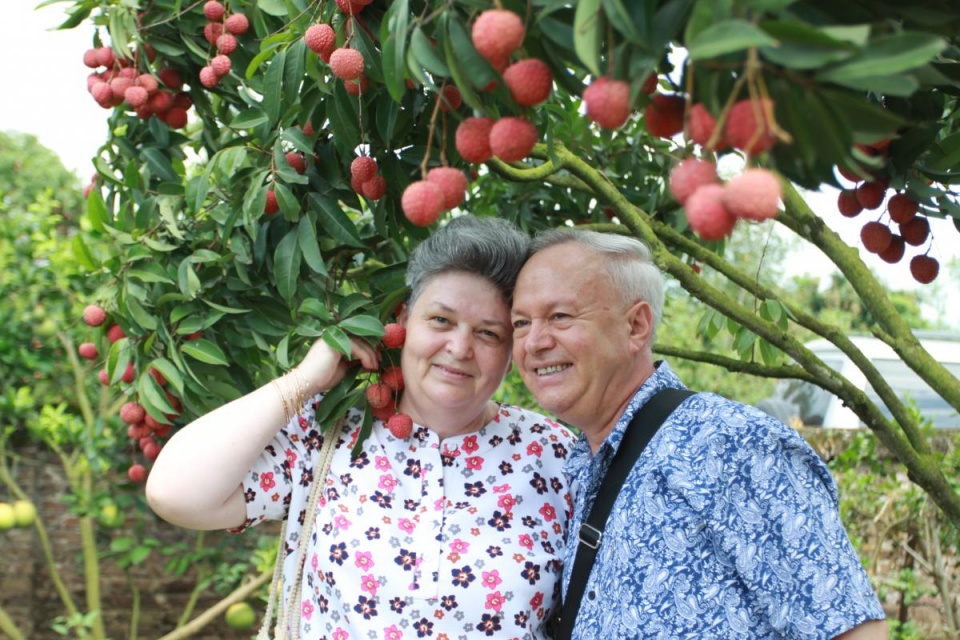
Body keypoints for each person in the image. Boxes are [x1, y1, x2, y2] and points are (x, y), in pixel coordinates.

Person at [146, 215, 576, 639]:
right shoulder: (329, 432)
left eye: (488, 333)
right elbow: (175, 493)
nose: (459, 348)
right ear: (403, 320)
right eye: (441, 321)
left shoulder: (553, 454)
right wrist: (303, 381)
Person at [509, 228, 888, 640]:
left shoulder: (729, 443)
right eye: (520, 323)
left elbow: (851, 629)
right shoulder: (584, 464)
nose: (534, 342)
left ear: (636, 325)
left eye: (560, 316)